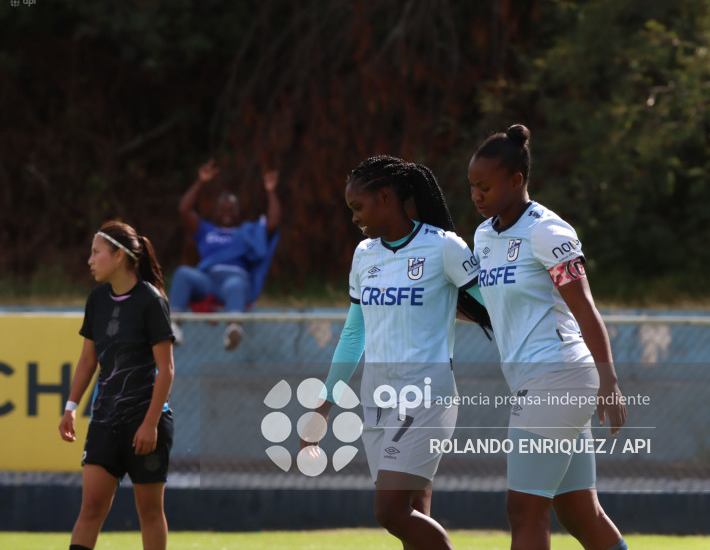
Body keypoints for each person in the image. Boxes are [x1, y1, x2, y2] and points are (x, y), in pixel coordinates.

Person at [303, 156, 491, 550]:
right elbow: (355, 335)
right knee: (412, 514)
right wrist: (325, 405)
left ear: (386, 197)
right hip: (377, 401)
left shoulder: (443, 247)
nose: (354, 218)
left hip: (426, 398)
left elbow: (494, 306)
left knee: (389, 510)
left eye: (358, 206)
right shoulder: (364, 255)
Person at [468, 125, 629, 550]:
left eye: (484, 186)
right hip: (538, 382)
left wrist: (609, 381)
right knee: (579, 512)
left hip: (556, 377)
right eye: (472, 187)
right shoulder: (484, 237)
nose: (476, 196)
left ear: (516, 181)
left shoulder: (548, 232)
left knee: (524, 511)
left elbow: (585, 309)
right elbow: (494, 308)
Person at [58, 221, 175, 550]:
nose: (90, 260)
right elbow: (87, 362)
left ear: (120, 255)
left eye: (96, 252)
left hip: (145, 423)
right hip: (105, 422)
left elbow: (166, 370)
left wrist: (151, 424)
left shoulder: (151, 302)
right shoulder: (96, 300)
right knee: (90, 509)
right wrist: (70, 407)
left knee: (149, 512)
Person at [169, 159, 281, 350]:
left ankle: (233, 329)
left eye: (232, 209)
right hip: (208, 280)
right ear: (215, 211)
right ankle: (173, 326)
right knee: (182, 273)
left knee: (234, 284)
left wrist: (270, 191)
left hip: (235, 281)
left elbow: (272, 223)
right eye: (223, 208)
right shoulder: (207, 230)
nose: (227, 212)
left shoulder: (247, 232)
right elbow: (184, 210)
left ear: (239, 212)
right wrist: (201, 182)